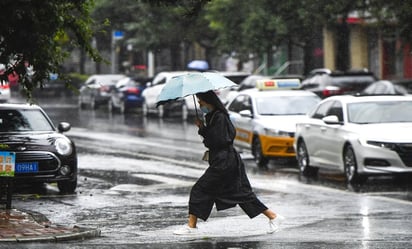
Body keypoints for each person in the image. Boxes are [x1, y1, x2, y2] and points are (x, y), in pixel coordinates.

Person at [173, 90, 284, 235]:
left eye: (201, 102)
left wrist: (204, 130)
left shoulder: (220, 117)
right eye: (199, 102)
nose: (199, 104)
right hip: (225, 160)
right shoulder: (213, 116)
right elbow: (214, 139)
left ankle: (191, 226)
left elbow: (219, 140)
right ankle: (273, 216)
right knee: (241, 193)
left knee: (200, 189)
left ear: (209, 101)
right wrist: (203, 128)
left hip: (224, 162)